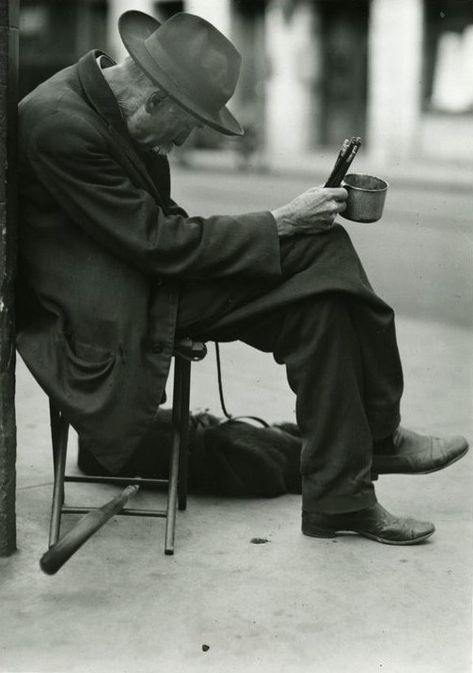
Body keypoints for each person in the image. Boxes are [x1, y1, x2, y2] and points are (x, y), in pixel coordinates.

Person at [17, 10, 468, 546]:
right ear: (156, 99)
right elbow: (156, 240)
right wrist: (278, 223)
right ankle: (379, 434)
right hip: (105, 310)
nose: (182, 142)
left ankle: (340, 500)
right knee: (318, 246)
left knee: (317, 305)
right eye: (189, 124)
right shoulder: (60, 123)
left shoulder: (111, 108)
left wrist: (276, 229)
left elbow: (154, 228)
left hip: (141, 278)